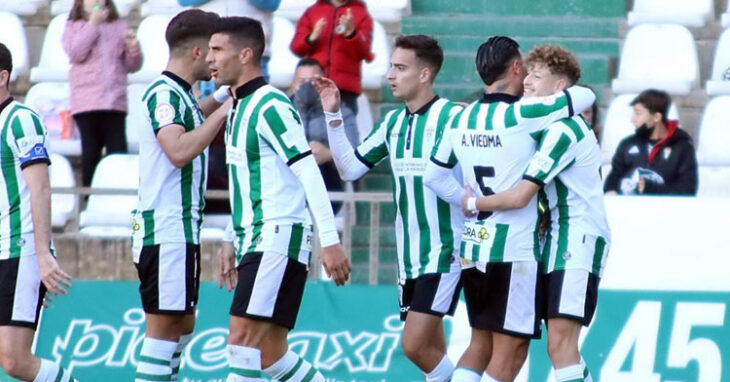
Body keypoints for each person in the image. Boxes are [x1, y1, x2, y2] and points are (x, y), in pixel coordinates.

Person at [423, 37, 595, 382]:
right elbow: (586, 96)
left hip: (474, 245)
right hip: (513, 248)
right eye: (526, 70)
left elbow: (433, 175)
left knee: (479, 344)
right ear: (515, 67)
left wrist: (463, 199)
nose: (529, 79)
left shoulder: (461, 116)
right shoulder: (523, 113)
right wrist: (471, 201)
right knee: (511, 351)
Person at [206, 17, 351, 381]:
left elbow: (307, 172)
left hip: (276, 237)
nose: (209, 58)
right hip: (255, 237)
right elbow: (246, 182)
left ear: (246, 54)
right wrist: (229, 238)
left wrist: (330, 240)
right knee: (270, 356)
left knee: (241, 341)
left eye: (217, 49)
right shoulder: (238, 106)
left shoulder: (271, 105)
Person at [314, 35, 463, 382]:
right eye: (391, 67)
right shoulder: (393, 124)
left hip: (445, 251)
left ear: (425, 74)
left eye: (400, 67)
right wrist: (333, 115)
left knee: (413, 346)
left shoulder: (454, 118)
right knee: (432, 351)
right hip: (409, 256)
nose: (389, 75)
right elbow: (350, 168)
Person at [131, 9, 231, 382]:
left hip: (177, 231)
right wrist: (222, 116)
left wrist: (218, 100)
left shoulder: (180, 95)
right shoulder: (164, 95)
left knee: (183, 324)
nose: (218, 58)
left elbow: (189, 118)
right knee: (163, 334)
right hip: (166, 229)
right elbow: (177, 150)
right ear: (197, 52)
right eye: (215, 50)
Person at [0, 43, 75, 382]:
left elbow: (40, 188)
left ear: (3, 77)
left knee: (15, 361)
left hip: (18, 247)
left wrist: (42, 255)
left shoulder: (20, 121)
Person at [63, 0, 142, 186]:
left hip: (115, 102)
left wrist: (132, 47)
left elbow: (133, 65)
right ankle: (90, 198)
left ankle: (118, 195)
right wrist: (93, 24)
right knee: (91, 153)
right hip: (86, 103)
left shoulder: (119, 26)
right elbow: (76, 52)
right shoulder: (73, 26)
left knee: (118, 153)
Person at [290, 0, 374, 144]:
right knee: (307, 130)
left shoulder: (361, 14)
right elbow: (296, 48)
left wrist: (351, 33)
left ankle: (334, 164)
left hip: (344, 90)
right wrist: (311, 38)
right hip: (314, 87)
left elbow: (365, 52)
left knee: (342, 136)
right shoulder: (312, 12)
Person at [604, 89, 698, 195]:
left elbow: (687, 190)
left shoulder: (682, 148)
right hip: (627, 209)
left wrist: (652, 189)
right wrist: (611, 190)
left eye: (638, 114)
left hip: (664, 210)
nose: (632, 119)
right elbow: (614, 176)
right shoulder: (627, 144)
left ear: (656, 117)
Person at [289, 58, 347, 213]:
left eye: (313, 82)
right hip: (287, 187)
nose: (307, 87)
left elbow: (356, 153)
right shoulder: (280, 110)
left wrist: (328, 154)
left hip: (328, 185)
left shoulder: (341, 111)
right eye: (302, 82)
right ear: (293, 84)